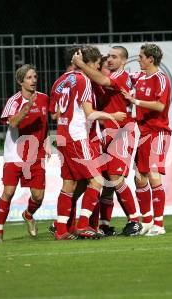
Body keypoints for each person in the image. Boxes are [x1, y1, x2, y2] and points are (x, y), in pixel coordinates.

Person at [51, 46, 126, 240]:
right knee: (97, 180)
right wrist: (113, 115)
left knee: (69, 184)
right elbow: (90, 113)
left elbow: (55, 113)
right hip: (77, 136)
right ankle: (83, 225)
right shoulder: (83, 80)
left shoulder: (60, 81)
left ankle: (61, 230)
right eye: (97, 64)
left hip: (61, 135)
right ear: (91, 63)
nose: (98, 68)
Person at [72, 46, 142, 236]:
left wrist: (79, 64)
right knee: (104, 180)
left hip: (121, 131)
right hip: (104, 131)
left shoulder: (120, 76)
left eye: (114, 57)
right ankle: (103, 224)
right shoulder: (102, 78)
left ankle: (135, 220)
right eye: (108, 56)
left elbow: (101, 79)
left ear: (124, 61)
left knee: (115, 178)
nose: (110, 60)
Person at [0, 64, 49, 243]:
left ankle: (28, 214)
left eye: (35, 77)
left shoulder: (44, 98)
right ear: (20, 81)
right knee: (8, 192)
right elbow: (13, 123)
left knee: (38, 197)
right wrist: (25, 109)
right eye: (29, 77)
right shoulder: (14, 101)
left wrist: (47, 141)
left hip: (36, 154)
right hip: (15, 155)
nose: (33, 80)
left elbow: (45, 123)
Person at [121, 43, 172, 236]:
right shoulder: (140, 77)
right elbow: (121, 81)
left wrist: (135, 101)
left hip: (159, 132)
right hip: (143, 134)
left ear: (151, 59)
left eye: (142, 57)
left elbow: (160, 106)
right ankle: (148, 221)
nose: (139, 59)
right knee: (139, 178)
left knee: (152, 174)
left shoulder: (161, 79)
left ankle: (159, 225)